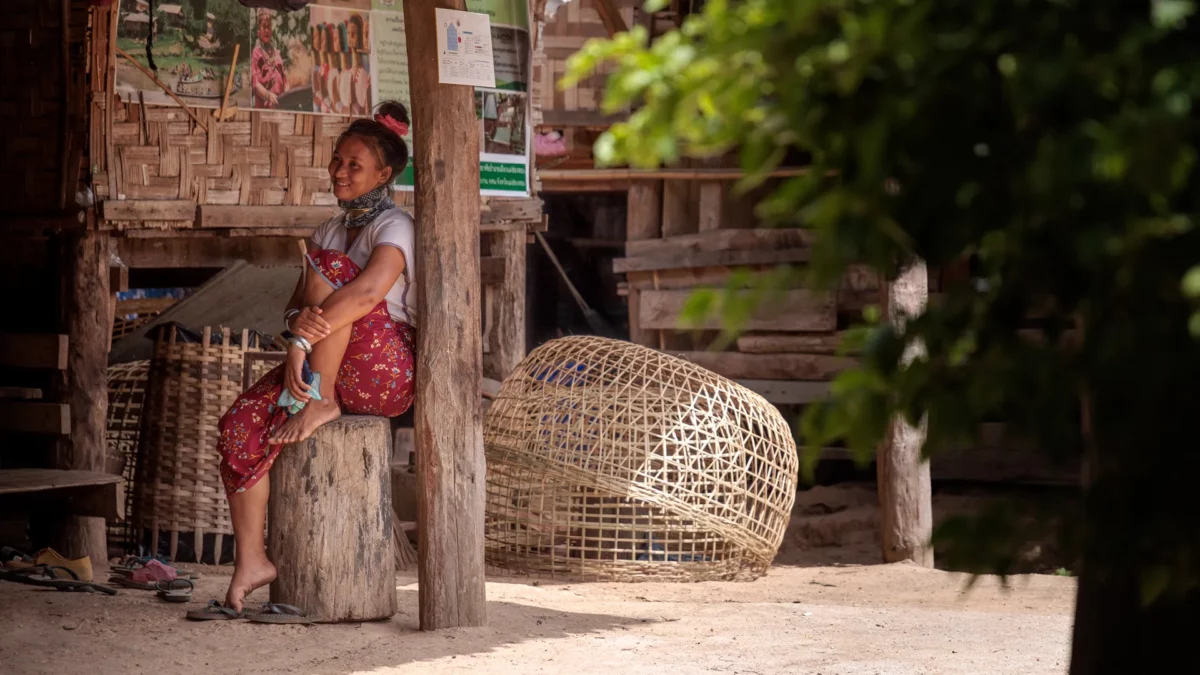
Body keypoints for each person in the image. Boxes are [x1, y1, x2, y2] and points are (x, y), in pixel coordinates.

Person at [216, 101, 416, 613]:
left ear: (384, 174)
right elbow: (295, 306)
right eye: (336, 160)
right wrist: (295, 330)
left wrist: (303, 340)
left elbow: (369, 294)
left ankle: (322, 400)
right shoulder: (329, 230)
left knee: (330, 272)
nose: (339, 171)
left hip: (382, 374)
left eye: (354, 164)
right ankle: (252, 560)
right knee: (240, 423)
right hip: (322, 361)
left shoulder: (395, 226)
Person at [251, 8, 286, 109]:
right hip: (265, 108)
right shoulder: (256, 53)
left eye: (269, 27)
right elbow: (255, 84)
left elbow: (284, 80)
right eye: (264, 27)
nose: (267, 30)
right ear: (258, 30)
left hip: (280, 105)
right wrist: (268, 95)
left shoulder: (276, 52)